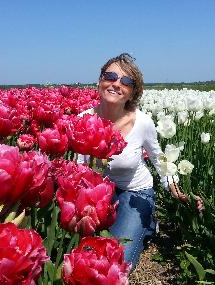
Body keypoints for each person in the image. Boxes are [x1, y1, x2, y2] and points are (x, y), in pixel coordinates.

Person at [78, 53, 199, 269]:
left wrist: (175, 188)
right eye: (110, 76)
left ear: (132, 92)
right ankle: (141, 224)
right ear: (100, 81)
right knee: (85, 252)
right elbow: (78, 167)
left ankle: (146, 220)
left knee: (116, 261)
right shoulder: (83, 119)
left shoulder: (142, 122)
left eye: (126, 81)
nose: (116, 83)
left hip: (135, 192)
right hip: (98, 193)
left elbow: (159, 159)